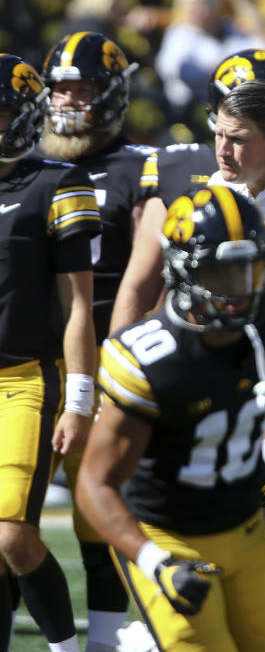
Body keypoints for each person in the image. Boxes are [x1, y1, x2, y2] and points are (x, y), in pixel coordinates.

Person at [75, 185, 265, 651]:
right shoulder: (153, 359)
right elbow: (95, 485)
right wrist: (156, 562)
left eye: (248, 268)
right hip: (168, 536)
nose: (239, 289)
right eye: (221, 271)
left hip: (244, 526)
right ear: (180, 268)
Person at [38, 33, 152, 649]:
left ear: (111, 93)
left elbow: (151, 270)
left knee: (100, 515)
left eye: (83, 89)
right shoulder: (29, 164)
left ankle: (107, 641)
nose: (70, 101)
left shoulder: (142, 166)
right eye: (61, 89)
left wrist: (129, 360)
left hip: (109, 355)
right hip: (33, 358)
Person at [0, 53, 101, 652]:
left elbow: (78, 307)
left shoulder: (57, 182)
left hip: (26, 380)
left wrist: (80, 397)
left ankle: (66, 647)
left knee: (12, 535)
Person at [110, 47, 265, 334]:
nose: (222, 151)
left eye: (237, 138)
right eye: (219, 135)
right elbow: (167, 290)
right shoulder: (216, 186)